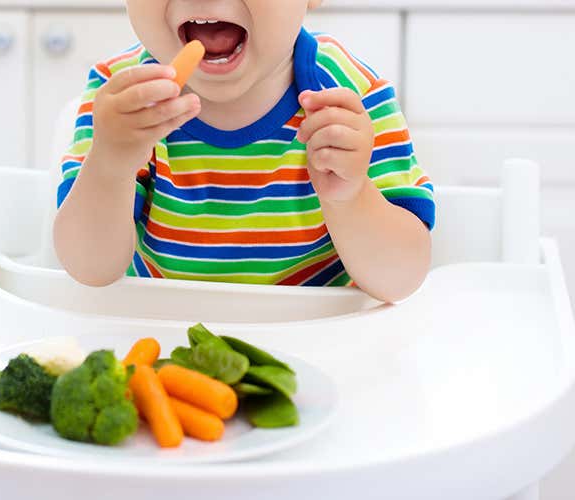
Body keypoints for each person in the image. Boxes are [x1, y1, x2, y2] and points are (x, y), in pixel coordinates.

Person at [54, 0, 434, 303]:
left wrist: (351, 197)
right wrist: (110, 166)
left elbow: (400, 279)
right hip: (161, 338)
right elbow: (88, 269)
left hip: (312, 345)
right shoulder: (120, 101)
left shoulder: (352, 96)